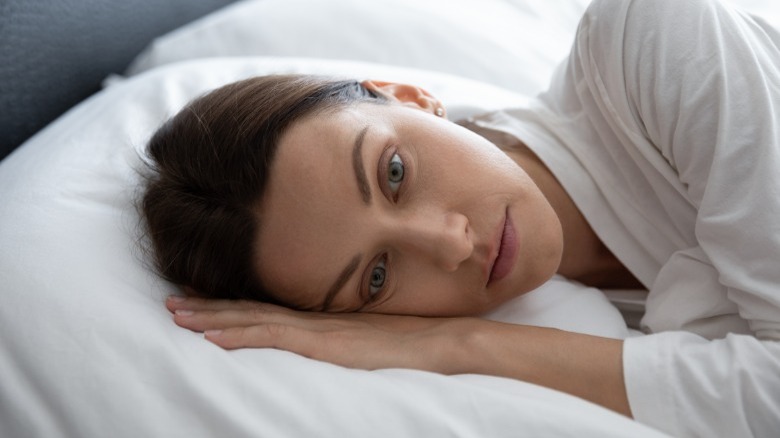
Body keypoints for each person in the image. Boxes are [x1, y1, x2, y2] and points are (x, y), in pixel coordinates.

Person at [141, 0, 780, 436]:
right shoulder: (580, 310)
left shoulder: (664, 41)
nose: (449, 245)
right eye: (376, 278)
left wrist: (458, 345)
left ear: (412, 98)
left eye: (393, 173)